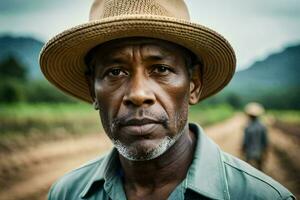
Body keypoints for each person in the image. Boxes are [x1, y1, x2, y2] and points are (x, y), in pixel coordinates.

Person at [40, 0, 295, 199]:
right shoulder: (66, 193)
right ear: (92, 91)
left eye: (161, 69)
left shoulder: (262, 197)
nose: (138, 94)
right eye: (115, 72)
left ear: (193, 85)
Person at [242, 102, 268, 170]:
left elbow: (245, 141)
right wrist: (265, 151)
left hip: (249, 151)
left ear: (250, 116)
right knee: (260, 169)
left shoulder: (248, 127)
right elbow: (265, 141)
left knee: (247, 169)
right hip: (259, 151)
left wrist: (243, 149)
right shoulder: (263, 127)